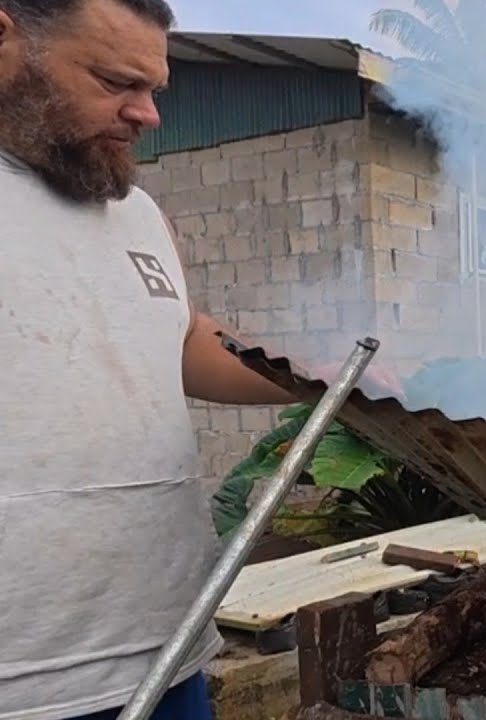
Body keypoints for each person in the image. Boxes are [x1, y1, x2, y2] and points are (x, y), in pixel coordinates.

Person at [0, 1, 398, 717]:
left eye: (155, 88)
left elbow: (180, 341)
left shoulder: (135, 213)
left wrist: (316, 373)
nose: (148, 114)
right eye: (116, 82)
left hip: (168, 654)